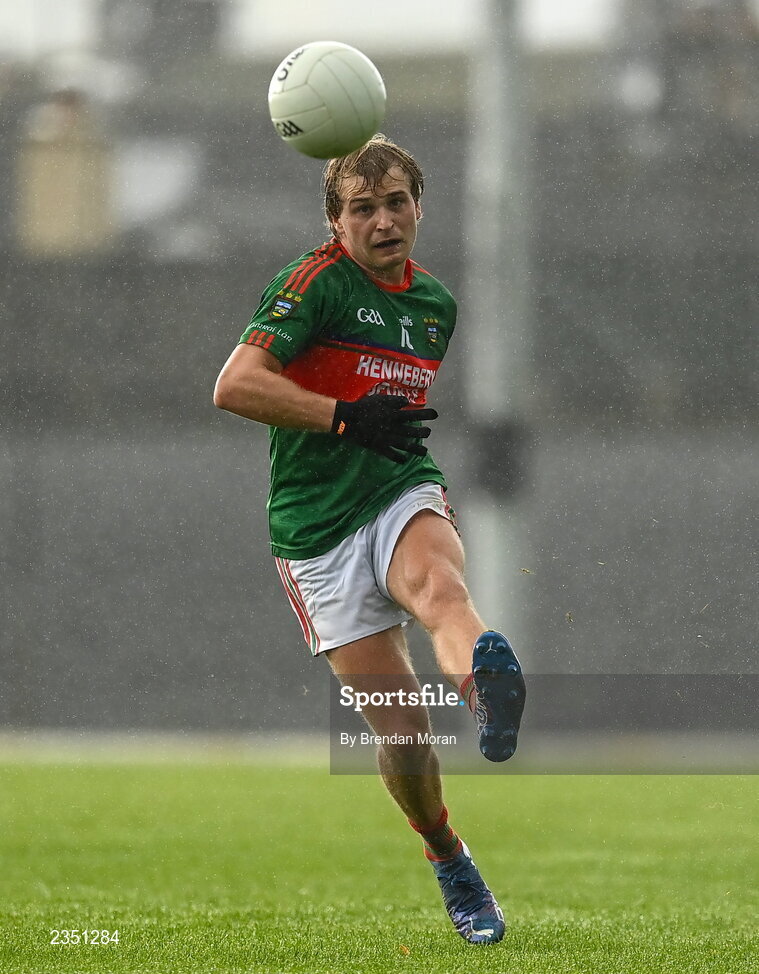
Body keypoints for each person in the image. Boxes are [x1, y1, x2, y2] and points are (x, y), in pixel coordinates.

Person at [213, 134, 526, 945]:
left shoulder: (435, 307)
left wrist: (371, 430)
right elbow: (235, 385)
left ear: (419, 207)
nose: (383, 221)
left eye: (396, 203)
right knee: (403, 740)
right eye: (363, 208)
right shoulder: (312, 283)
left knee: (442, 591)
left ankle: (485, 687)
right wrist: (344, 414)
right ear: (335, 222)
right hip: (314, 532)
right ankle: (447, 853)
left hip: (397, 489)